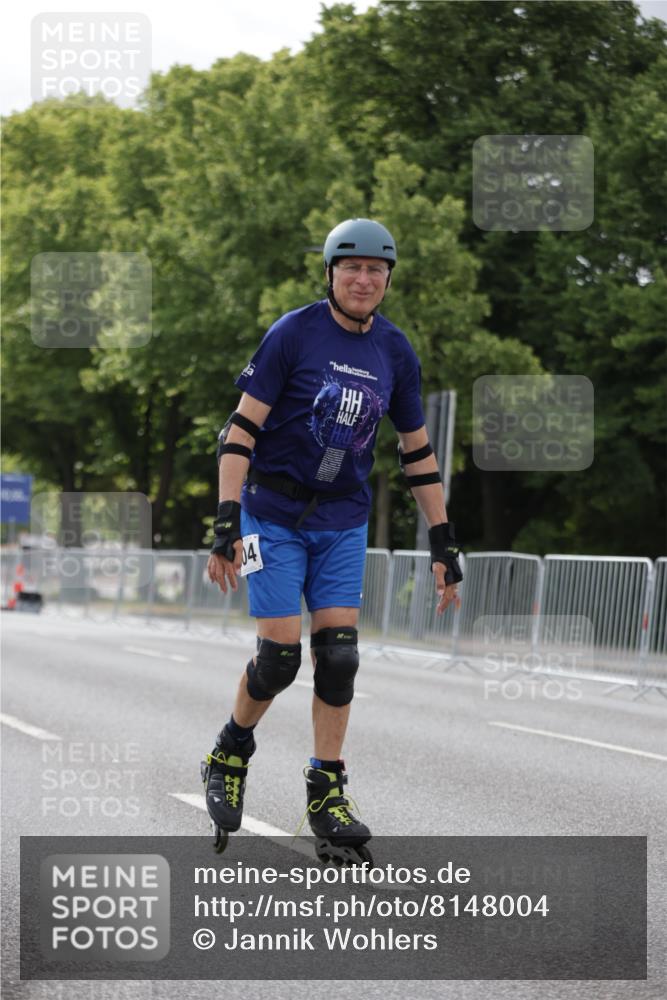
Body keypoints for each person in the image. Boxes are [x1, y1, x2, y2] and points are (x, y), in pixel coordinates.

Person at [203, 218, 462, 860]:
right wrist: (225, 521)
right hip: (272, 512)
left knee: (339, 657)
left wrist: (444, 542)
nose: (364, 279)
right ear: (330, 273)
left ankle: (326, 791)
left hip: (342, 517)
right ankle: (231, 750)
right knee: (280, 658)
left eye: (377, 270)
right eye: (352, 268)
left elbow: (417, 453)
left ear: (388, 280)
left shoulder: (395, 352)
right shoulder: (294, 333)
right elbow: (239, 431)